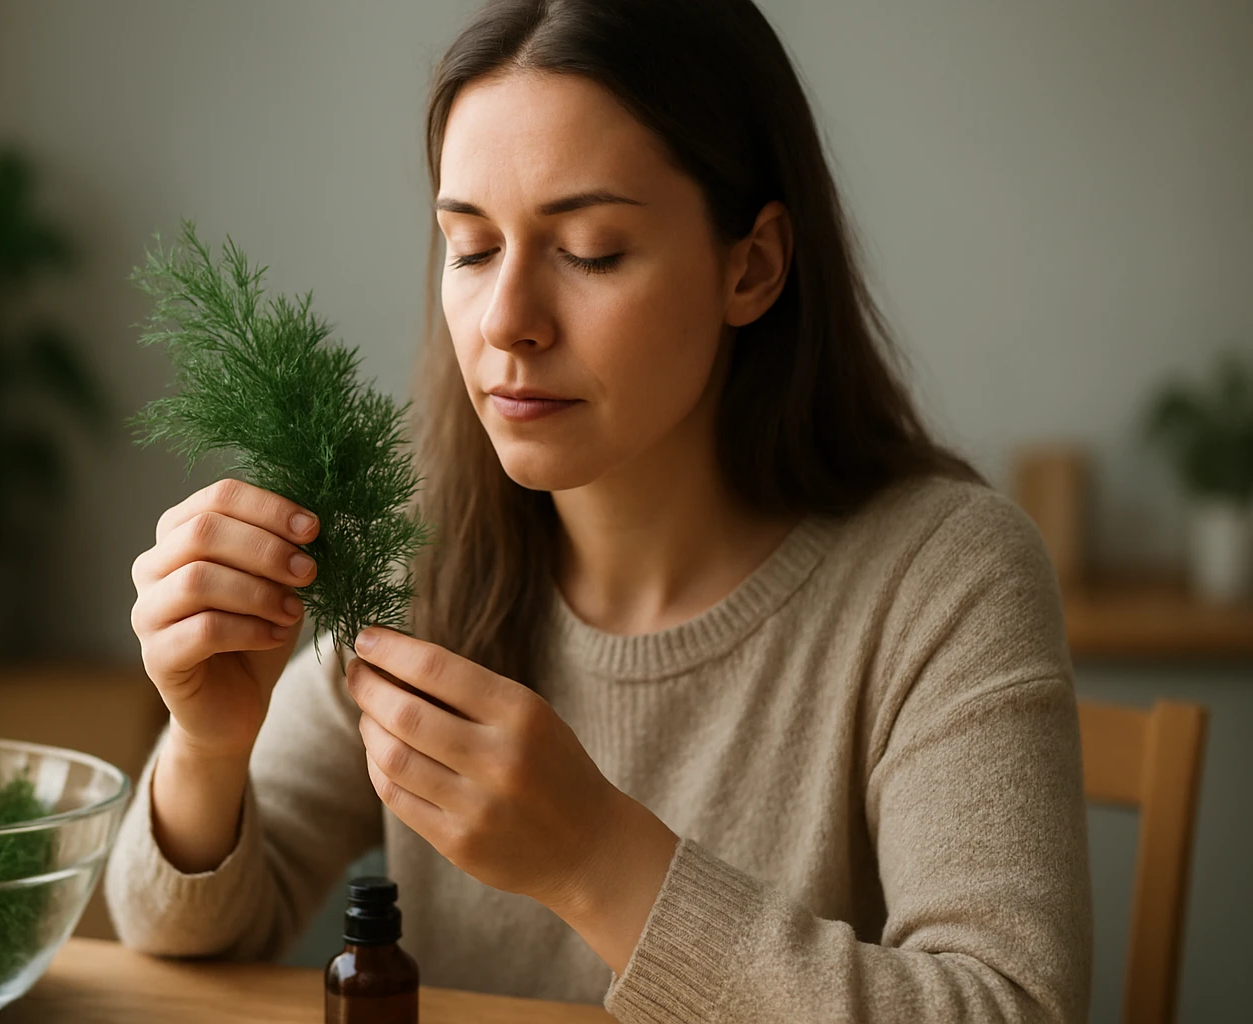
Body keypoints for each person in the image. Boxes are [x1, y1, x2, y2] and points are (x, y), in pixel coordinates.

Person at [105, 1, 1092, 1020]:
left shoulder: (946, 574)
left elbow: (1006, 1007)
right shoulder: (421, 558)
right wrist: (208, 748)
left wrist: (594, 859)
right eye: (472, 247)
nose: (506, 322)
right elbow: (183, 934)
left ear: (750, 267)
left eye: (590, 250)